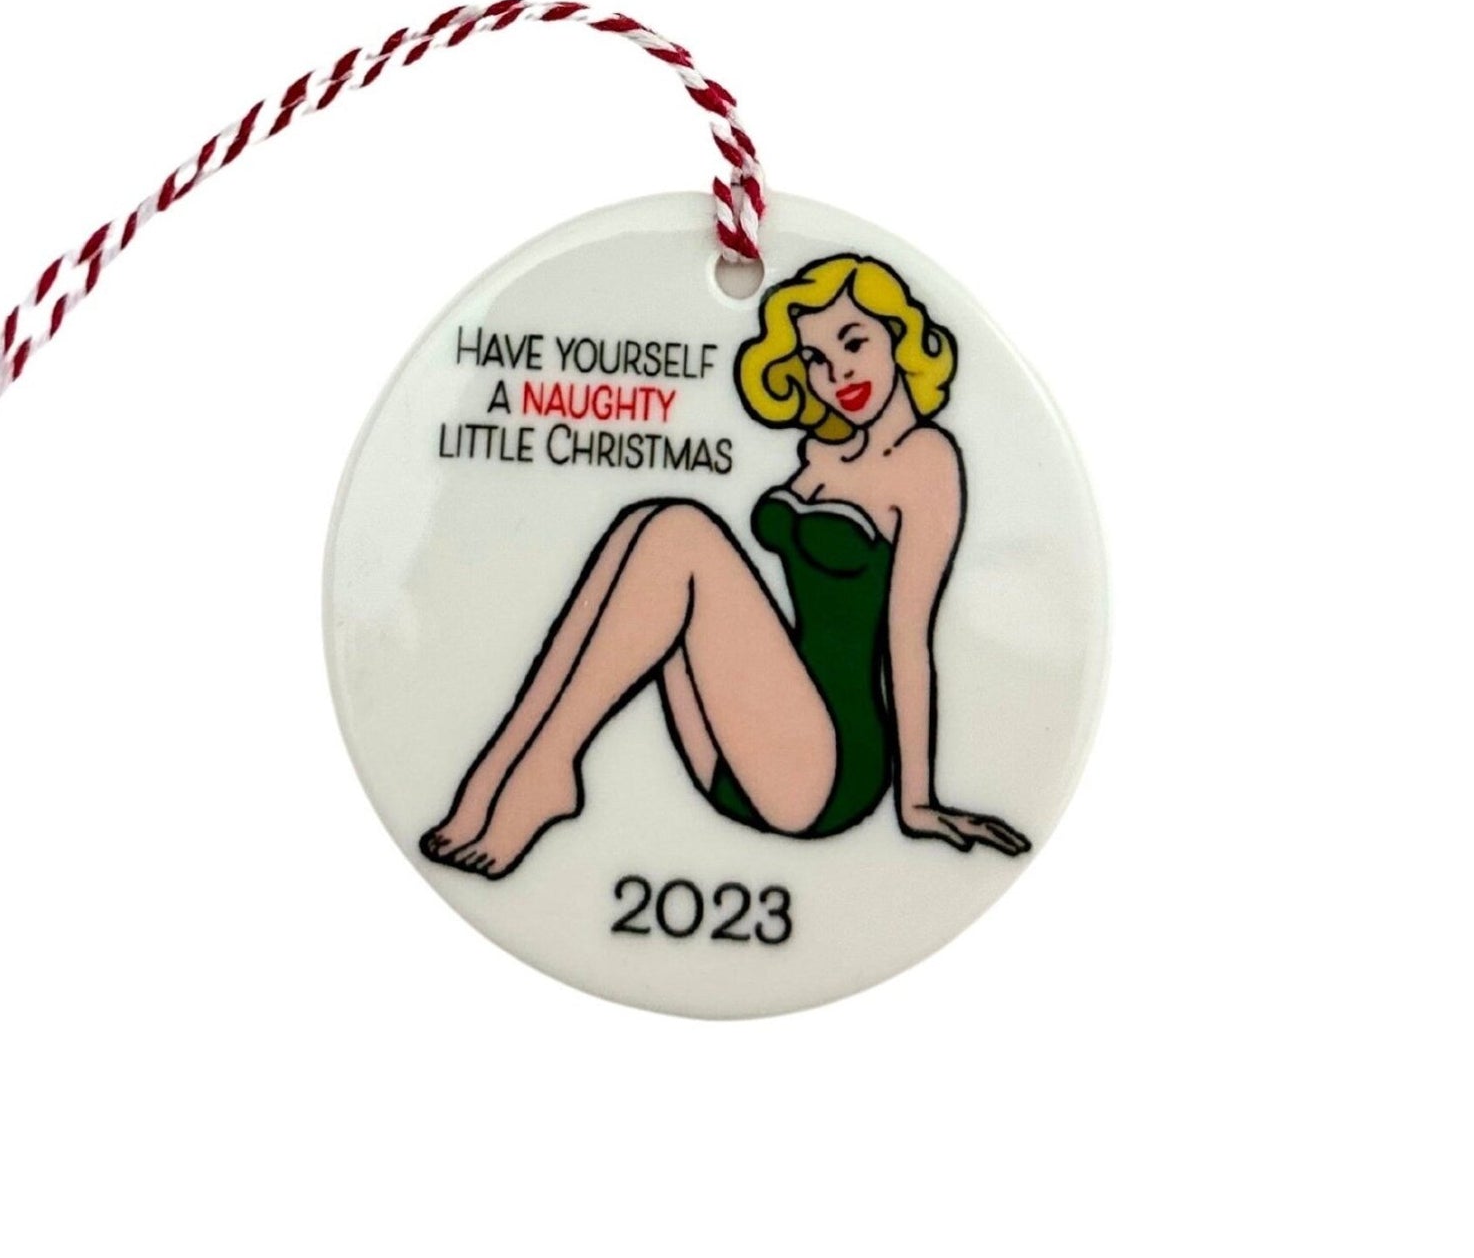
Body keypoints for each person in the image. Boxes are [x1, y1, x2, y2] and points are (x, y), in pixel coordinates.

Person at [422, 254, 1030, 878]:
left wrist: (917, 802)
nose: (837, 373)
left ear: (900, 338)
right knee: (643, 522)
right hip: (736, 753)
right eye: (816, 358)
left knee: (678, 532)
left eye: (854, 343)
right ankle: (498, 773)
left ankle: (545, 767)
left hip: (825, 769)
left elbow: (909, 639)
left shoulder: (927, 458)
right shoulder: (822, 455)